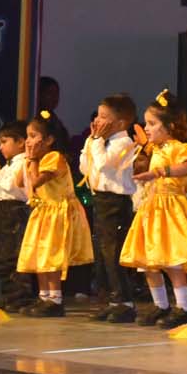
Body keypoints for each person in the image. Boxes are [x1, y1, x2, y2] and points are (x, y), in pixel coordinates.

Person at [120, 91, 187, 329]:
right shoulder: (156, 149)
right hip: (152, 207)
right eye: (146, 123)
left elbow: (186, 167)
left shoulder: (179, 148)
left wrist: (159, 172)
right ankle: (160, 305)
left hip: (171, 208)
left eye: (152, 123)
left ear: (169, 126)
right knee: (149, 261)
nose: (147, 128)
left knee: (172, 260)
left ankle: (184, 308)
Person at [16, 113, 95, 317]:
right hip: (43, 211)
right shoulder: (35, 160)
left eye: (33, 136)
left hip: (57, 212)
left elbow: (35, 182)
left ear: (49, 139)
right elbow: (20, 182)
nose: (28, 141)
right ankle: (44, 297)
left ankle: (55, 299)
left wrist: (32, 160)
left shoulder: (54, 158)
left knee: (50, 255)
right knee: (39, 255)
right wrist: (28, 161)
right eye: (27, 136)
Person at [80, 93, 140, 324]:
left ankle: (125, 303)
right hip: (101, 200)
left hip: (116, 203)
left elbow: (105, 165)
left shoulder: (124, 143)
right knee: (103, 254)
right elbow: (86, 167)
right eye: (97, 115)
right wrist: (92, 141)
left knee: (114, 253)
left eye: (104, 117)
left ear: (121, 123)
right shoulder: (99, 141)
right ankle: (111, 300)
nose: (98, 120)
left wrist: (96, 141)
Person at [0, 121, 36, 312]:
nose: (0, 147)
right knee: (1, 256)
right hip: (3, 210)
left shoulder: (23, 162)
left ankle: (20, 296)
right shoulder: (8, 165)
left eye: (4, 142)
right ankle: (8, 295)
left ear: (20, 142)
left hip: (16, 211)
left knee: (14, 255)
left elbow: (11, 186)